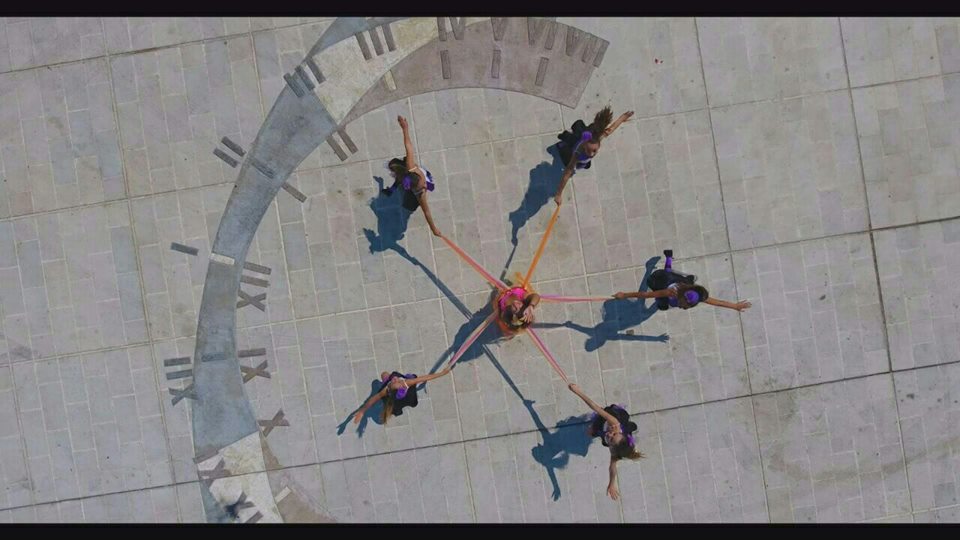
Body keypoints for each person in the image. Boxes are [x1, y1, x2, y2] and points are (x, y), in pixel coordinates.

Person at [567, 383, 643, 501]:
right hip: (608, 417)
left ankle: (595, 431)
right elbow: (594, 407)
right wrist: (577, 391)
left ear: (611, 448)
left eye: (610, 440)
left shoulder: (615, 451)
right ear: (621, 434)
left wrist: (611, 483)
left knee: (590, 433)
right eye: (615, 434)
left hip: (605, 431)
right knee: (594, 426)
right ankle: (598, 426)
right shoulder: (614, 423)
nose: (610, 434)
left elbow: (612, 468)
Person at [614, 250, 752, 312]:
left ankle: (669, 258)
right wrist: (624, 295)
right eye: (682, 303)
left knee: (669, 272)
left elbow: (718, 302)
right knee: (666, 275)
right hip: (664, 282)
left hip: (674, 280)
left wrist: (735, 306)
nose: (682, 305)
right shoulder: (671, 292)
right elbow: (646, 295)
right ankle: (665, 260)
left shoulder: (697, 295)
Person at [554, 106, 634, 205]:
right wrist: (558, 194)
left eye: (594, 150)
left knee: (587, 165)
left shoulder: (598, 138)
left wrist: (623, 118)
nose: (591, 154)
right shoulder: (577, 154)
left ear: (598, 144)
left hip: (584, 153)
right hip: (573, 152)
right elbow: (567, 173)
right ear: (584, 145)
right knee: (566, 158)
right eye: (588, 150)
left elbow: (611, 129)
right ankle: (562, 145)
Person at [381, 115, 442, 236]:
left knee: (428, 188)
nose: (424, 185)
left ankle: (391, 190)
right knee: (409, 202)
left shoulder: (411, 167)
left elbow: (408, 145)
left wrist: (405, 128)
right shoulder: (419, 191)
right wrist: (434, 229)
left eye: (423, 183)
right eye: (422, 185)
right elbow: (426, 213)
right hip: (406, 180)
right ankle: (392, 190)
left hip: (413, 178)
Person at [352, 366, 451, 425]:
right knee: (386, 376)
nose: (395, 379)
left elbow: (373, 399)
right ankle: (395, 407)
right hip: (405, 398)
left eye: (394, 381)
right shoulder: (406, 383)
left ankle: (393, 406)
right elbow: (424, 378)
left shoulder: (387, 389)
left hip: (397, 399)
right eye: (395, 381)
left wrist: (362, 411)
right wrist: (442, 373)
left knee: (384, 374)